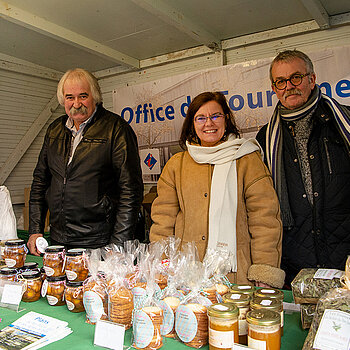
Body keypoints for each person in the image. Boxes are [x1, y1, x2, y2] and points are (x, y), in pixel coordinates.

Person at [150, 92, 285, 288]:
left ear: (226, 118)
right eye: (201, 118)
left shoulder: (247, 159)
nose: (209, 123)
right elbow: (163, 221)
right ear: (192, 124)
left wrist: (264, 272)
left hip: (238, 276)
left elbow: (265, 220)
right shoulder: (176, 166)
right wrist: (162, 265)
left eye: (216, 116)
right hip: (186, 276)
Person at [256, 50, 350, 286]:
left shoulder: (344, 123)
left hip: (344, 257)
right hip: (296, 263)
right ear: (274, 88)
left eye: (296, 77)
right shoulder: (266, 138)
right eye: (281, 81)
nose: (289, 86)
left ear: (312, 79)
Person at [27, 68, 143, 255]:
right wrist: (35, 229)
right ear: (63, 100)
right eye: (70, 97)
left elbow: (131, 191)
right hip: (59, 238)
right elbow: (40, 182)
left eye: (83, 96)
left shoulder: (116, 129)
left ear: (95, 97)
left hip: (100, 241)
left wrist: (118, 244)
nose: (76, 103)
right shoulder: (54, 130)